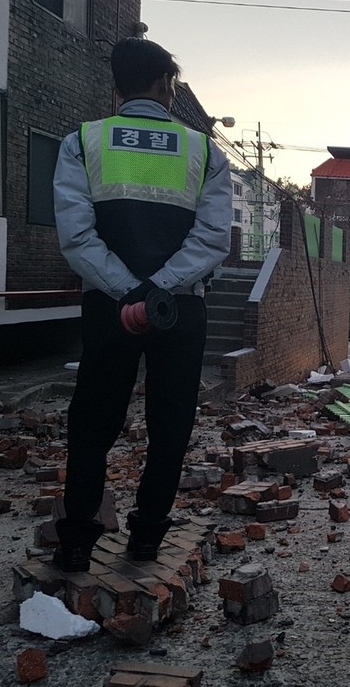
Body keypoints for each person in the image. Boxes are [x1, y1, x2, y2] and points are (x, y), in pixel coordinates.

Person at [52, 37, 232, 572]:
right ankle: (148, 540)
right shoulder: (203, 152)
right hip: (180, 310)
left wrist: (127, 289)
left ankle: (78, 543)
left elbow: (77, 235)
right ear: (165, 86)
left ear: (116, 86)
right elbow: (212, 239)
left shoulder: (83, 143)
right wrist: (160, 288)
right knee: (170, 425)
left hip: (109, 309)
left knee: (92, 424)